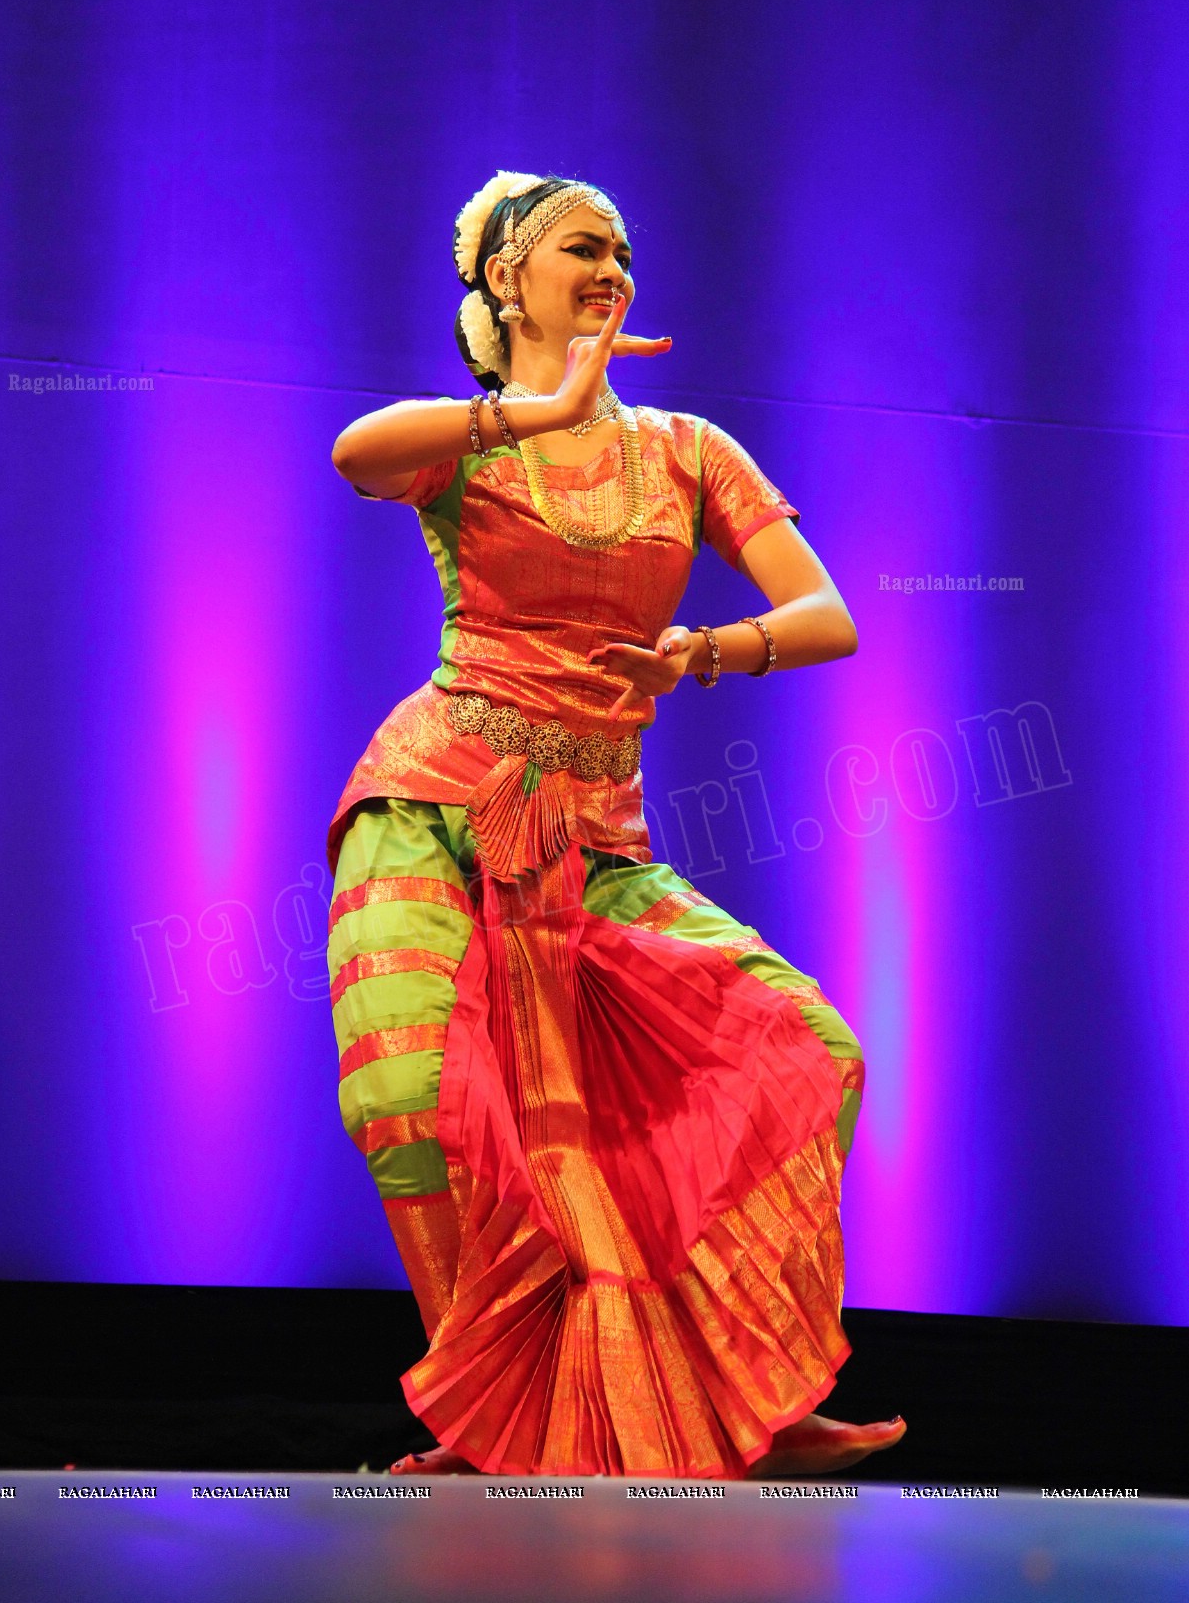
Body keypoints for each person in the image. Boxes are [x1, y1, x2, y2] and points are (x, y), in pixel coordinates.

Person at [325, 170, 906, 1480]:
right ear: (505, 278)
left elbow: (828, 616)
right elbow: (357, 452)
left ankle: (746, 1385)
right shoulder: (468, 438)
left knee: (809, 1054)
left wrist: (703, 649)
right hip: (433, 804)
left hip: (593, 843)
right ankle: (481, 1423)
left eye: (625, 250)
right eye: (583, 246)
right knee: (411, 1100)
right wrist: (537, 410)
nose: (611, 268)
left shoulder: (688, 450)